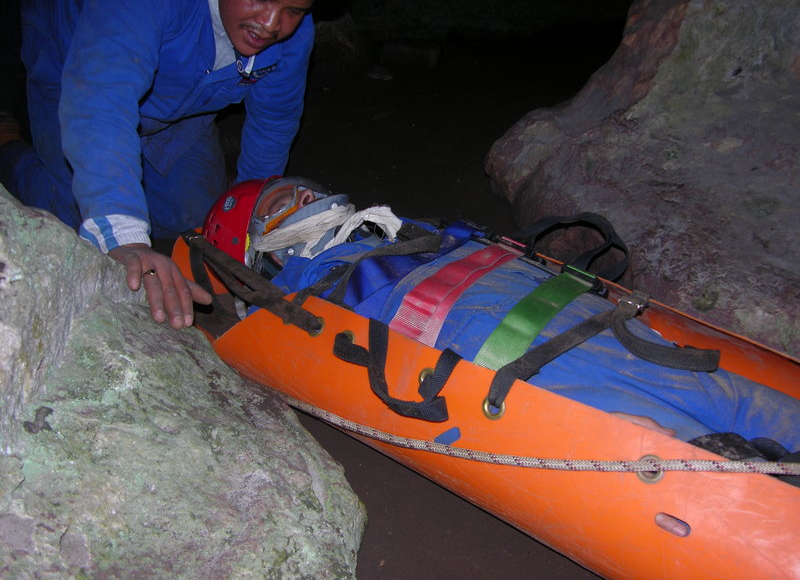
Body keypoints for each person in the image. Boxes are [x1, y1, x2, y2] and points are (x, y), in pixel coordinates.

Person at [200, 177, 800, 461]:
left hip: (593, 322)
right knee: (681, 442)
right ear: (262, 247)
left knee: (742, 399)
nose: (305, 200)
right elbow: (266, 325)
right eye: (284, 205)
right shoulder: (302, 285)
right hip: (519, 362)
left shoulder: (411, 227)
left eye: (301, 190)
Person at [0, 0, 344, 329]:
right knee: (81, 222)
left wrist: (252, 218)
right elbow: (102, 101)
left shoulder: (293, 37)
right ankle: (8, 147)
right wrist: (124, 237)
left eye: (294, 10)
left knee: (200, 221)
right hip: (80, 65)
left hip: (178, 101)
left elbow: (273, 122)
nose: (272, 24)